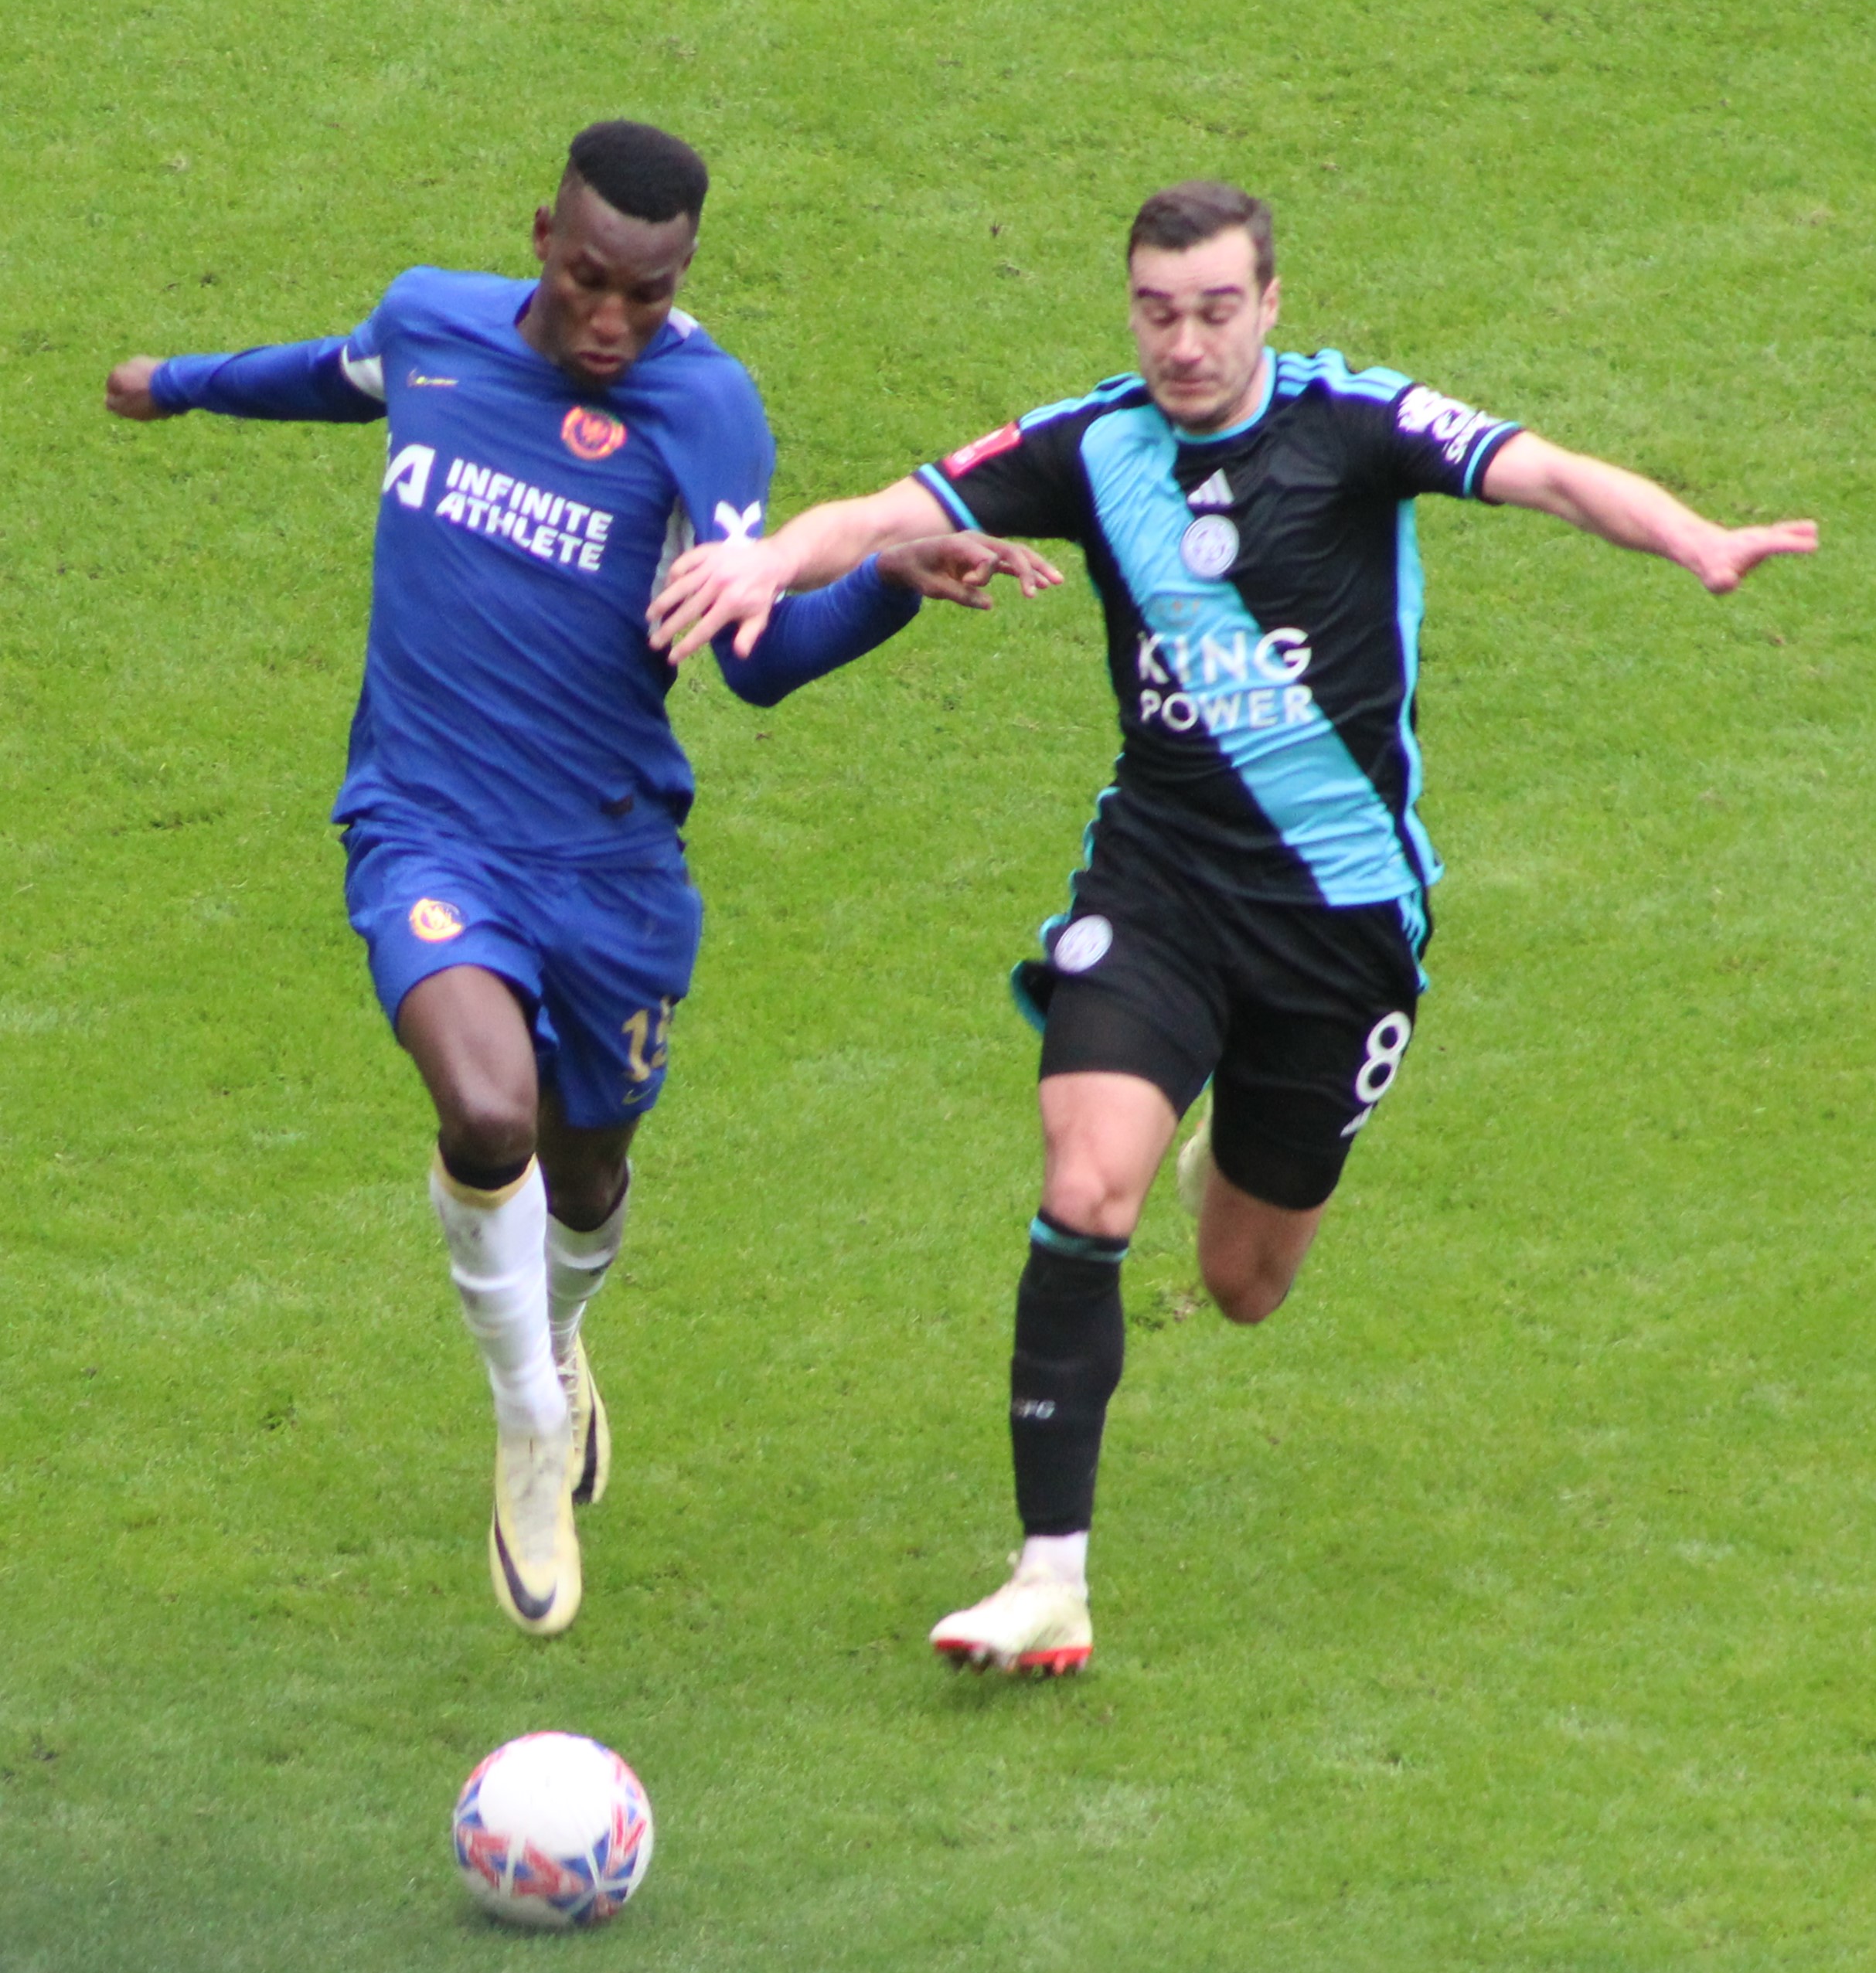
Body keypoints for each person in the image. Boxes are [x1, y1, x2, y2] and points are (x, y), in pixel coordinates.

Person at [647, 179, 1817, 1676]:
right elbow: (885, 512)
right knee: (1086, 1185)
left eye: (1213, 311)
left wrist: (1690, 537)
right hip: (1161, 889)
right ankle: (1049, 1579)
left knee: (1242, 1287)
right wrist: (768, 559)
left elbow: (1547, 475)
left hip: (1340, 924)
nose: (1183, 344)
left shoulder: (1354, 424)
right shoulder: (1091, 443)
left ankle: (1229, 1148)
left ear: (1268, 303)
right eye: (1156, 312)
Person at [105, 120, 1054, 1639]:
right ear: (542, 234)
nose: (613, 321)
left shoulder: (704, 411)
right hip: (424, 825)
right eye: (591, 280)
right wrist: (180, 382)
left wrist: (884, 584)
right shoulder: (434, 323)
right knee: (487, 1115)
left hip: (609, 864)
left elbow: (752, 665)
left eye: (649, 295)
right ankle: (529, 1425)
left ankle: (560, 1332)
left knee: (586, 1171)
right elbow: (337, 373)